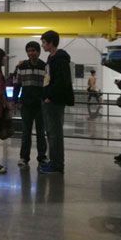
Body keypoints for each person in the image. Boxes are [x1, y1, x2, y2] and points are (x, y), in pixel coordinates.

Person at [39, 30, 74, 174]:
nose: (42, 45)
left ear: (51, 43)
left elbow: (61, 81)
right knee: (51, 133)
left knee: (55, 134)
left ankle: (57, 165)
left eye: (44, 43)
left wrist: (50, 96)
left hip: (54, 101)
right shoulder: (51, 58)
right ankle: (53, 162)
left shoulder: (60, 59)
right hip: (49, 100)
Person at [13, 41, 48, 168]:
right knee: (26, 132)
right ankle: (24, 158)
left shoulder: (45, 66)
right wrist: (15, 100)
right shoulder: (21, 67)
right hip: (26, 104)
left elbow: (47, 85)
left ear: (39, 52)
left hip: (40, 104)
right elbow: (17, 84)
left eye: (34, 50)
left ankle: (42, 157)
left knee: (40, 132)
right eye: (29, 50)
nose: (31, 53)